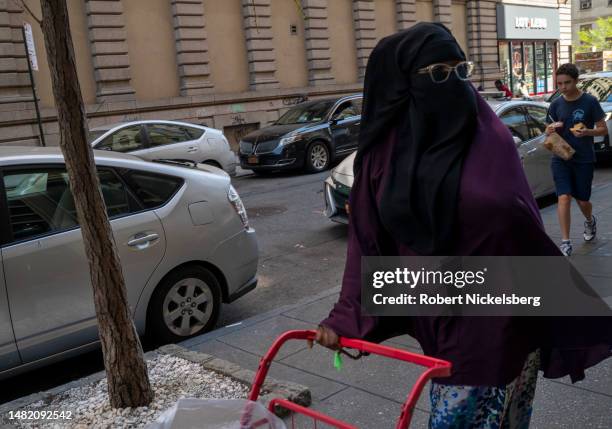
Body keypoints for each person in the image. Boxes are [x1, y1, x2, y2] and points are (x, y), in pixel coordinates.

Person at [309, 23, 612, 428]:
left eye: (460, 70)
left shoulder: (488, 135)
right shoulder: (383, 158)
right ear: (402, 83)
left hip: (512, 308)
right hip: (449, 312)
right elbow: (367, 241)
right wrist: (345, 317)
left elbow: (520, 218)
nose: (453, 83)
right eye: (438, 73)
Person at [545, 63, 607, 257]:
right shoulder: (556, 104)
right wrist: (549, 130)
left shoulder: (590, 102)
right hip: (561, 155)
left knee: (582, 200)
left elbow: (603, 129)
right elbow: (548, 127)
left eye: (567, 83)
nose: (563, 87)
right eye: (560, 84)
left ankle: (589, 220)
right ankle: (565, 242)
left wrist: (587, 131)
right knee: (563, 197)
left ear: (576, 81)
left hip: (583, 158)